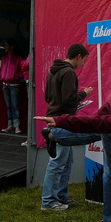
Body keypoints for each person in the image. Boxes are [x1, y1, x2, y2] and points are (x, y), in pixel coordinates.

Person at [40, 43, 98, 211]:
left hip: (55, 117)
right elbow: (68, 99)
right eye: (84, 60)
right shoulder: (68, 72)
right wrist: (84, 94)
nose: (84, 64)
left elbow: (47, 96)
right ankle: (49, 201)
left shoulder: (53, 71)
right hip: (62, 121)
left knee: (66, 161)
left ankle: (62, 196)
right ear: (78, 56)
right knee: (58, 162)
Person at [0, 38, 24, 133]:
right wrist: (2, 76)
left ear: (11, 46)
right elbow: (1, 70)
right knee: (9, 106)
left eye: (6, 45)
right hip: (5, 84)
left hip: (14, 85)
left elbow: (23, 72)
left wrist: (14, 76)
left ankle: (17, 126)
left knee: (15, 105)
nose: (4, 47)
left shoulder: (18, 59)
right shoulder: (4, 59)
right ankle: (10, 126)